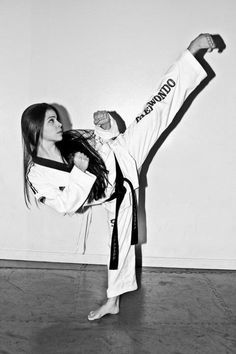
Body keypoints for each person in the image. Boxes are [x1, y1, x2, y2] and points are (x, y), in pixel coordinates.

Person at [21, 33, 219, 321]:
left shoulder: (71, 139)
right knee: (119, 248)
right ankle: (113, 301)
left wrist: (105, 125)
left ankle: (192, 51)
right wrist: (79, 170)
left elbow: (106, 139)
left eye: (56, 117)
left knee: (156, 108)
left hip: (123, 152)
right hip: (116, 194)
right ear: (36, 129)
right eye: (51, 120)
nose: (59, 123)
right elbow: (66, 204)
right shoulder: (37, 175)